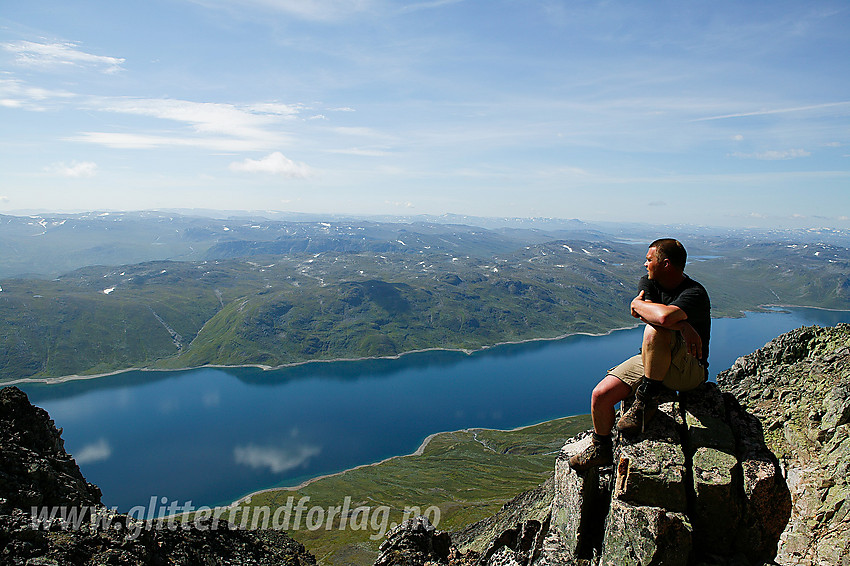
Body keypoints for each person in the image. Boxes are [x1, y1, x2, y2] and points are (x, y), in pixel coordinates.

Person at [569, 238, 710, 472]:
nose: (645, 265)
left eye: (649, 260)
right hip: (654, 357)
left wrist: (654, 314)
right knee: (600, 396)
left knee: (654, 330)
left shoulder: (694, 292)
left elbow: (657, 318)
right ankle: (601, 448)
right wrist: (683, 326)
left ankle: (646, 401)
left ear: (665, 264)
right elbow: (640, 312)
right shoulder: (649, 282)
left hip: (689, 369)